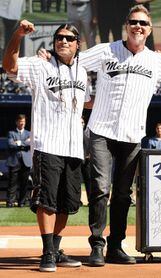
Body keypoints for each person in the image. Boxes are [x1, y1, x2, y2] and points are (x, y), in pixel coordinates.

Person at [44, 5, 161, 266]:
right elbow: (73, 58)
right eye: (133, 21)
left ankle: (116, 246)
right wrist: (49, 55)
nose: (138, 26)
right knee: (100, 189)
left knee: (122, 194)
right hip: (101, 131)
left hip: (132, 135)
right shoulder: (107, 50)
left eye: (143, 22)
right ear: (126, 25)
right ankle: (97, 245)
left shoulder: (155, 59)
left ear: (149, 29)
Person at [2, 20, 91, 272]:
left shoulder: (82, 72)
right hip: (48, 144)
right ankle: (47, 253)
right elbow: (9, 65)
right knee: (47, 201)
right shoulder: (41, 65)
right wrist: (17, 35)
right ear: (53, 42)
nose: (63, 41)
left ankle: (56, 248)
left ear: (77, 44)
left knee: (67, 203)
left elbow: (83, 103)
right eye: (59, 37)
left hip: (73, 148)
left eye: (69, 38)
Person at [6, 114, 32, 208]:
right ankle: (10, 202)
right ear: (17, 122)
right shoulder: (11, 133)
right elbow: (10, 144)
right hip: (14, 161)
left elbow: (31, 143)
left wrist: (19, 142)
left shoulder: (29, 133)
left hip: (26, 161)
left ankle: (22, 202)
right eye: (20, 121)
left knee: (24, 183)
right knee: (12, 183)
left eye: (23, 122)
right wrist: (25, 143)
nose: (22, 123)